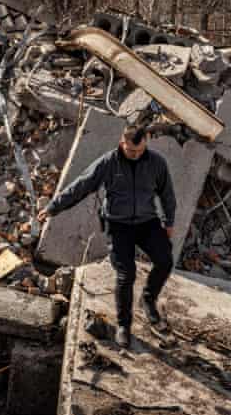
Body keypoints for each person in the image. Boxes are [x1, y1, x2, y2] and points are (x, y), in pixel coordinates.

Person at [38, 124, 176, 348]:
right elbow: (81, 185)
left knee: (165, 260)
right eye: (131, 151)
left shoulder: (157, 163)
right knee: (126, 274)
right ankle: (123, 325)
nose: (136, 155)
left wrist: (169, 221)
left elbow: (167, 194)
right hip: (119, 224)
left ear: (146, 144)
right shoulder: (108, 163)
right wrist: (53, 207)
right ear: (123, 143)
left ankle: (148, 299)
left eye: (140, 151)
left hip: (147, 221)